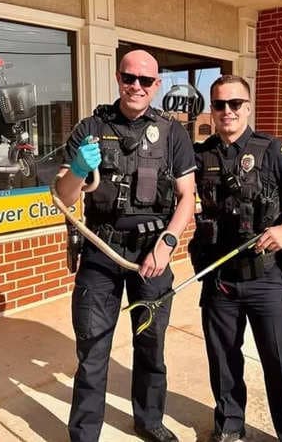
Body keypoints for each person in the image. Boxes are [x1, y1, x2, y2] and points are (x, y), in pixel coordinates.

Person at [55, 49, 196, 442]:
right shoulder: (90, 127)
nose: (136, 86)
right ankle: (84, 435)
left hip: (153, 253)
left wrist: (167, 245)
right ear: (118, 78)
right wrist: (80, 169)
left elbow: (187, 197)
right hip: (102, 250)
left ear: (157, 85)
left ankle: (149, 421)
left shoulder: (173, 133)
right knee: (93, 349)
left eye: (145, 80)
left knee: (151, 345)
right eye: (129, 77)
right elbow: (64, 197)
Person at [189, 75, 282, 442]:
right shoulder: (200, 156)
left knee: (280, 364)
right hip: (220, 280)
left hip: (266, 278)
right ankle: (230, 427)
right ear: (212, 111)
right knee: (223, 363)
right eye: (220, 105)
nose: (227, 111)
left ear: (248, 107)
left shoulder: (274, 151)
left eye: (235, 104)